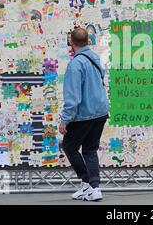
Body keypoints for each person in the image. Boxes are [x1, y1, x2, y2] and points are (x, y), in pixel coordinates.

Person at [59, 28, 110, 201]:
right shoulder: (96, 58)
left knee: (69, 147)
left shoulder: (75, 64)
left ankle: (87, 182)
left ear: (71, 43)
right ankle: (94, 188)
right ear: (88, 40)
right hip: (101, 112)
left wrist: (64, 121)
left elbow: (73, 98)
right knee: (90, 149)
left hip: (84, 114)